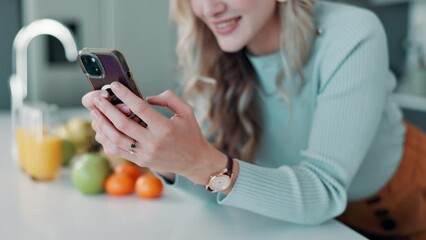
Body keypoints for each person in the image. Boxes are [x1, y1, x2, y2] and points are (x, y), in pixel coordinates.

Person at [82, 0, 426, 239]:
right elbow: (217, 184)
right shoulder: (212, 48)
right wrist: (167, 158)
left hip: (404, 205)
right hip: (302, 219)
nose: (208, 8)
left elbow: (323, 190)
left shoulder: (352, 33)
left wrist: (202, 163)